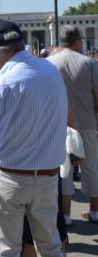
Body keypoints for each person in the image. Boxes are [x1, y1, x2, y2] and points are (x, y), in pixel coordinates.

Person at [0, 20, 67, 257]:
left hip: (11, 178)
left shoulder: (3, 84)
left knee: (6, 249)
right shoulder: (51, 70)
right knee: (50, 246)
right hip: (48, 175)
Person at [48, 25, 98, 225]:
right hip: (86, 122)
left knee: (64, 170)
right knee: (91, 167)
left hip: (59, 125)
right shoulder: (89, 63)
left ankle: (66, 216)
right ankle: (95, 211)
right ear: (77, 40)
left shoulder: (49, 63)